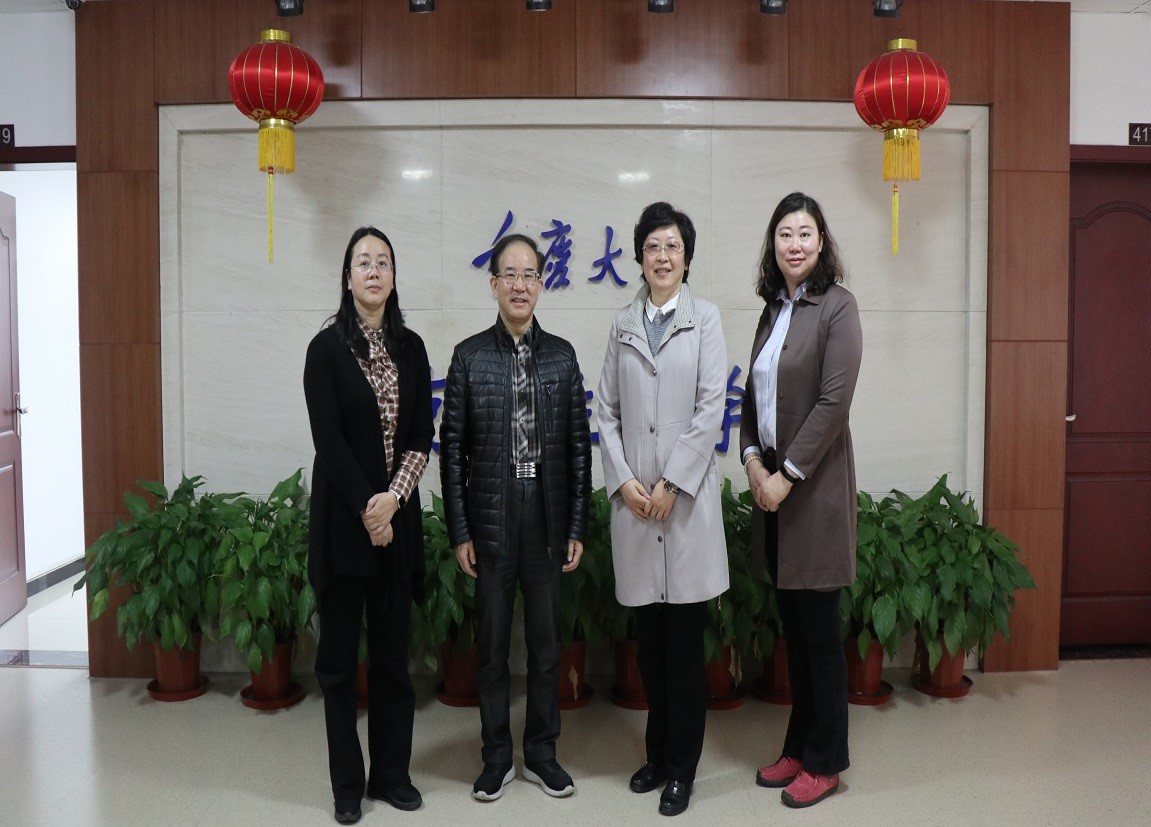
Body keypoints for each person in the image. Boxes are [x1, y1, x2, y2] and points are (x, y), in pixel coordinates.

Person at [439, 233, 592, 803]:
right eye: (511, 274)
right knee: (493, 646)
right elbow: (452, 450)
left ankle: (543, 753)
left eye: (530, 275)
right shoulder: (469, 357)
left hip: (546, 514)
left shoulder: (562, 357)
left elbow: (579, 448)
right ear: (494, 284)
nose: (520, 285)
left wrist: (576, 525)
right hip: (493, 514)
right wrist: (461, 530)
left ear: (541, 284)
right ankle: (497, 756)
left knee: (547, 646)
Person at [596, 201, 729, 818]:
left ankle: (682, 768)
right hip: (636, 507)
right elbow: (606, 411)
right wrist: (625, 483)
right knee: (648, 647)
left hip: (683, 507)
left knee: (682, 649)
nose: (663, 256)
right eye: (652, 246)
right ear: (639, 257)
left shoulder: (706, 319)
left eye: (672, 246)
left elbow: (710, 407)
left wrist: (673, 483)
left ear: (687, 257)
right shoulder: (622, 324)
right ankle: (655, 755)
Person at [303, 226, 434, 825]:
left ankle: (392, 775)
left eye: (384, 261)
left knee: (391, 661)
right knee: (336, 665)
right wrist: (368, 508)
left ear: (394, 276)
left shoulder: (412, 348)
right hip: (344, 528)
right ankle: (347, 785)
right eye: (364, 262)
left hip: (395, 528)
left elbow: (421, 435)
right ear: (348, 277)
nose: (374, 271)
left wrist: (392, 502)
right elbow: (328, 441)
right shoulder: (325, 349)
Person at [739, 192, 862, 809]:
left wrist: (785, 475)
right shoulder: (772, 310)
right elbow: (750, 398)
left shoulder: (838, 306)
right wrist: (752, 463)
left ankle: (826, 761)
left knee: (819, 635)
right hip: (773, 492)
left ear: (821, 242)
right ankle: (798, 746)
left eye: (805, 233)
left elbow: (834, 403)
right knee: (794, 631)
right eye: (784, 233)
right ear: (774, 243)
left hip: (813, 494)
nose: (794, 244)